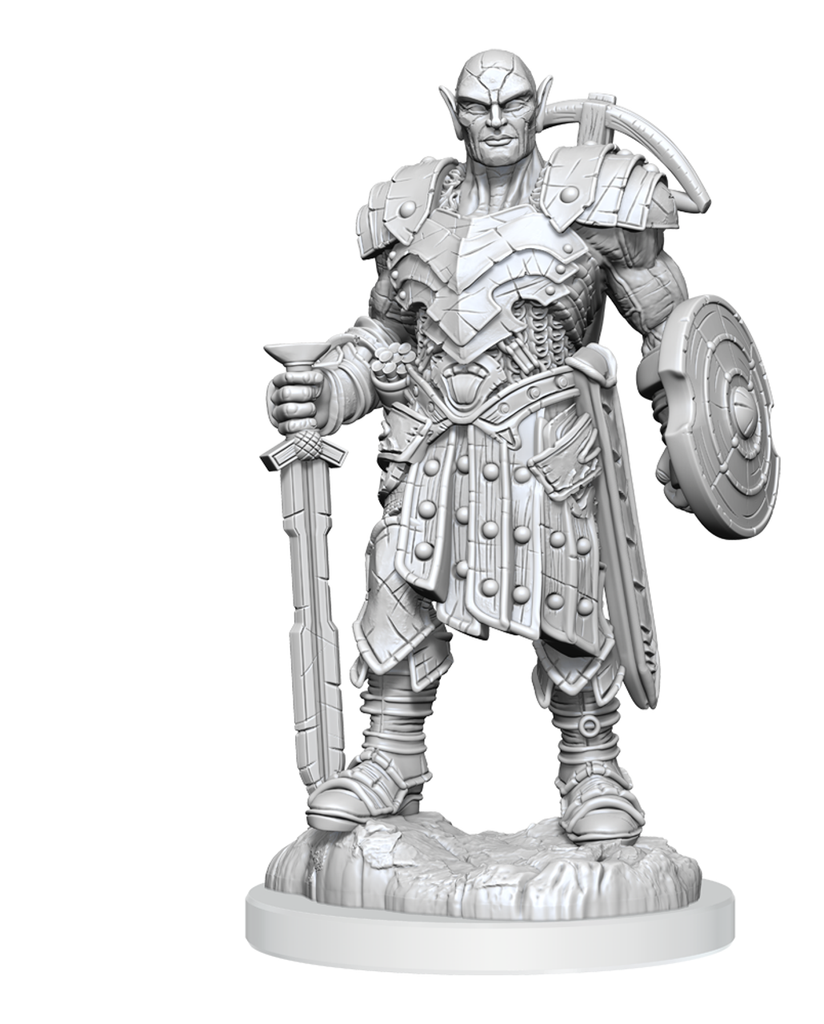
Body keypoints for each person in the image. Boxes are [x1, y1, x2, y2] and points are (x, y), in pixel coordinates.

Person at [268, 50, 693, 844]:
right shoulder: (411, 210)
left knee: (570, 600)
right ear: (452, 110)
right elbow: (385, 335)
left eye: (513, 102)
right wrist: (326, 389)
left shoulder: (594, 201)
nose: (496, 119)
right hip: (431, 439)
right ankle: (390, 759)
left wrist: (686, 429)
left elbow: (672, 328)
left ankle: (592, 767)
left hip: (543, 443)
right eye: (478, 105)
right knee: (395, 580)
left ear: (541, 103)